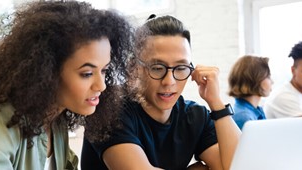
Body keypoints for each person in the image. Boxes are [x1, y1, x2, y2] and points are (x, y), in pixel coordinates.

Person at [0, 1, 134, 169]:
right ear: (47, 70)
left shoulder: (55, 119)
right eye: (87, 74)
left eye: (104, 70)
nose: (101, 86)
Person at [81, 14, 241, 170]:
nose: (169, 81)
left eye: (180, 68)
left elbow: (238, 166)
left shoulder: (194, 116)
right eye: (157, 68)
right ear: (133, 68)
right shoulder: (109, 110)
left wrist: (216, 103)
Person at [228, 55, 272, 129]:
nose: (272, 82)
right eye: (268, 77)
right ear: (256, 79)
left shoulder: (254, 111)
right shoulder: (244, 117)